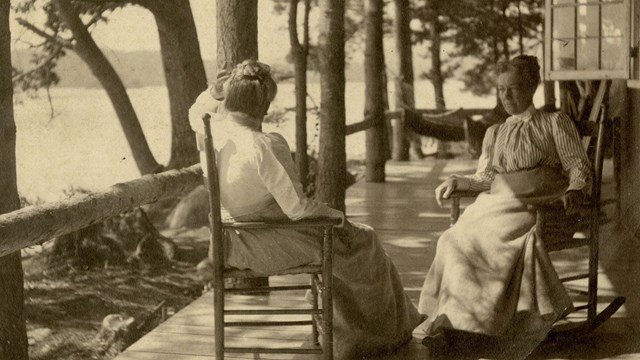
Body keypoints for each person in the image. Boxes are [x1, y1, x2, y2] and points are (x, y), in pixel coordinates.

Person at [189, 60, 422, 359]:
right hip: (260, 241)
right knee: (363, 241)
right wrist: (337, 218)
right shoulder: (262, 145)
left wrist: (215, 91)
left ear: (230, 99)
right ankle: (377, 334)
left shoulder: (215, 132)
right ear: (264, 108)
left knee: (346, 243)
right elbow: (297, 209)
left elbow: (195, 111)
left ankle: (354, 332)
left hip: (228, 242)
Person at [415, 55, 591, 358]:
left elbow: (577, 165)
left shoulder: (553, 122)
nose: (505, 96)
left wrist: (576, 188)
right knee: (451, 240)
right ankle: (457, 323)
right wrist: (459, 182)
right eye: (500, 90)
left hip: (538, 205)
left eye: (513, 88)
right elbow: (486, 178)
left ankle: (484, 328)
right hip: (497, 203)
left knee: (490, 242)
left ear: (532, 87)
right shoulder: (496, 132)